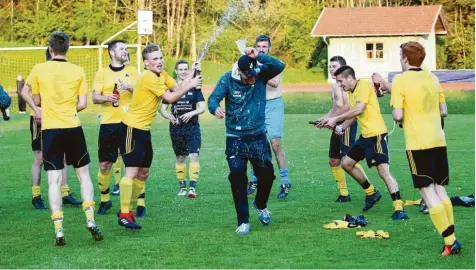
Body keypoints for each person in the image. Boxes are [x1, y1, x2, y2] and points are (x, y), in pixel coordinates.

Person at [20, 31, 103, 246]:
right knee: (83, 175)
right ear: (67, 48)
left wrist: (37, 109)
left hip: (51, 130)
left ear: (50, 49)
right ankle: (90, 219)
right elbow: (83, 103)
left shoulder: (39, 69)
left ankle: (58, 230)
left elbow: (25, 93)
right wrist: (67, 109)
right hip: (73, 127)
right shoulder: (78, 70)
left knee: (54, 180)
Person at [117, 44, 201, 229]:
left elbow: (177, 86)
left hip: (144, 130)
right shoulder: (148, 77)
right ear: (146, 63)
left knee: (143, 173)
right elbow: (171, 98)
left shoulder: (161, 75)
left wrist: (191, 74)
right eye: (155, 59)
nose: (160, 61)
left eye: (161, 58)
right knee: (131, 172)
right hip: (131, 128)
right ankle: (124, 213)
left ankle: (128, 211)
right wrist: (192, 84)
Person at [391, 41, 460, 255]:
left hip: (418, 143)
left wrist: (398, 109)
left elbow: (398, 115)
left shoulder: (400, 80)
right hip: (439, 140)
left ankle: (450, 240)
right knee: (440, 188)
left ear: (404, 58)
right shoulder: (432, 77)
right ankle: (452, 237)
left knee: (427, 190)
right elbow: (444, 110)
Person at [208, 47, 285, 235]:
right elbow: (212, 99)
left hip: (258, 137)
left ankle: (260, 204)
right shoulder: (227, 79)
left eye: (254, 76)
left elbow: (279, 65)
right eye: (248, 77)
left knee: (267, 175)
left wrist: (258, 56)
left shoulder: (259, 73)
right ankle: (243, 221)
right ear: (239, 71)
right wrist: (215, 108)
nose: (252, 80)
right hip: (235, 138)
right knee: (237, 177)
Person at [322, 65, 408, 220]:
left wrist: (336, 119)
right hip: (365, 137)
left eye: (341, 81)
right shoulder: (351, 91)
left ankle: (399, 208)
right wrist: (341, 126)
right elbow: (355, 116)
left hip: (377, 135)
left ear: (349, 78)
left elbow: (359, 109)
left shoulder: (362, 86)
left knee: (383, 172)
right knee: (346, 163)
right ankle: (371, 192)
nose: (340, 84)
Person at [27, 47, 82, 210]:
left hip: (58, 119)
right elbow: (24, 91)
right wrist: (37, 109)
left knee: (63, 156)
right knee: (40, 156)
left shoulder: (63, 73)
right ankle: (36, 196)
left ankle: (65, 193)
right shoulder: (39, 71)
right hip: (40, 118)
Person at [92, 40, 140, 216]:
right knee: (105, 164)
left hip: (130, 124)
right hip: (108, 124)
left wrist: (129, 86)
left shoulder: (133, 71)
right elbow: (95, 97)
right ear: (112, 52)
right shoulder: (102, 73)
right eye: (122, 48)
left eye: (126, 48)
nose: (126, 51)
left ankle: (132, 205)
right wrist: (107, 98)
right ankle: (105, 201)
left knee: (133, 165)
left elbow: (143, 91)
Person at [314, 56, 369, 202]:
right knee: (333, 160)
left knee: (348, 160)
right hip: (337, 124)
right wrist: (324, 119)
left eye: (334, 66)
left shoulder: (345, 86)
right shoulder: (334, 86)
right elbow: (336, 108)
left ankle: (370, 190)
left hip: (347, 124)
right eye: (330, 67)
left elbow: (347, 108)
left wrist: (333, 120)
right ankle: (344, 194)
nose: (331, 69)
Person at [247, 34, 291, 199]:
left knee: (275, 144)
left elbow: (274, 83)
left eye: (265, 47)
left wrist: (256, 71)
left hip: (274, 105)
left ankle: (285, 180)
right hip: (257, 105)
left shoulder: (274, 62)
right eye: (259, 46)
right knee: (254, 143)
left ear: (269, 48)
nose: (261, 49)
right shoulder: (251, 61)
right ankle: (254, 178)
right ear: (255, 47)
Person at [159, 60, 205, 198]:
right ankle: (182, 187)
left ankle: (192, 188)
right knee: (180, 158)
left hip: (192, 127)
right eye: (181, 69)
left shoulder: (195, 88)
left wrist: (192, 113)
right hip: (177, 128)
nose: (184, 72)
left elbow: (202, 108)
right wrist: (170, 117)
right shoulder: (171, 89)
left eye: (186, 69)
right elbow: (162, 110)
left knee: (194, 156)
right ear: (176, 71)